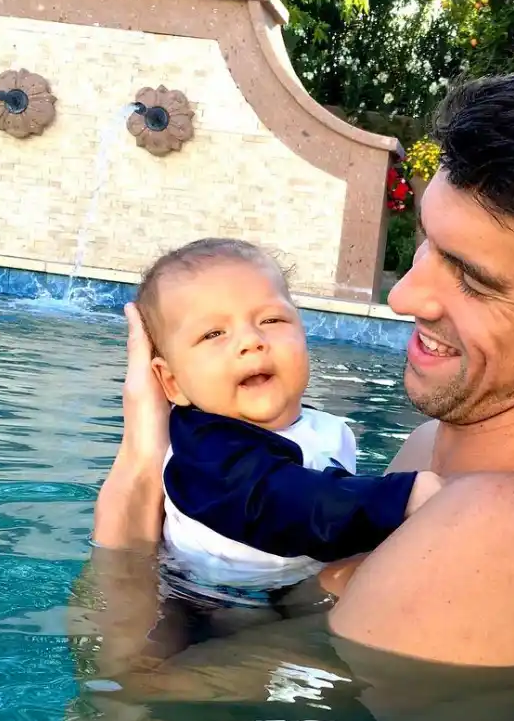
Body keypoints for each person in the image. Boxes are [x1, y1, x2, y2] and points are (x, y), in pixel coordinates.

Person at [92, 56, 514, 670]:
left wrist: (139, 472)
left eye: (472, 278)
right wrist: (148, 445)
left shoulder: (509, 531)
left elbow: (132, 714)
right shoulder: (436, 451)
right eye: (427, 243)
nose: (403, 296)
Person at [131, 237, 442, 609]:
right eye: (213, 334)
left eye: (272, 320)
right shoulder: (204, 452)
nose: (251, 340)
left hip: (289, 589)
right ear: (172, 383)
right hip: (208, 605)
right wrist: (398, 498)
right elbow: (282, 502)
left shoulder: (316, 426)